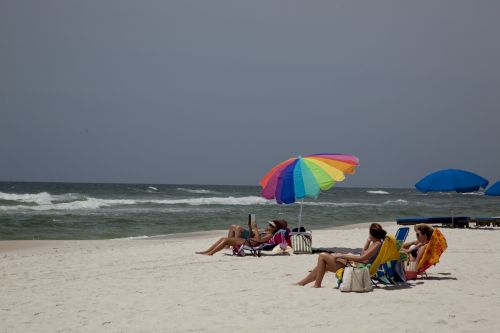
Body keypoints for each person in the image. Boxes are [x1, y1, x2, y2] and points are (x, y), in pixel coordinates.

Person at [295, 223, 387, 288]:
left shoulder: (377, 244)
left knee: (322, 255)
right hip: (356, 265)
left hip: (358, 268)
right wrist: (367, 241)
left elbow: (362, 258)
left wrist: (342, 255)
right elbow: (363, 254)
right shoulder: (375, 243)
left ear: (371, 233)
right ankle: (303, 283)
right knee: (324, 265)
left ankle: (316, 284)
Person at [196, 220, 287, 256]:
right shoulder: (266, 232)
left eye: (270, 225)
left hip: (250, 243)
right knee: (222, 239)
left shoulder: (270, 235)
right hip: (249, 240)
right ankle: (207, 251)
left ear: (274, 228)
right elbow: (254, 236)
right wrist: (252, 229)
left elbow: (258, 240)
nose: (268, 225)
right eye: (269, 224)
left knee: (226, 240)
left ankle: (211, 253)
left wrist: (255, 229)